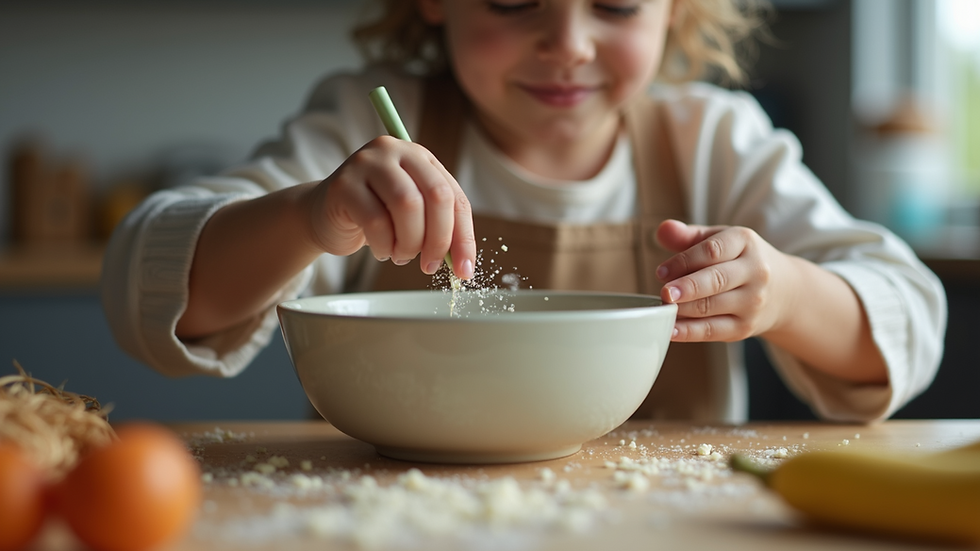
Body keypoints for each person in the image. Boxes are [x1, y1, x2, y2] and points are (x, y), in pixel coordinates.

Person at [101, 0, 946, 423]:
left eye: (613, 2)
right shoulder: (366, 125)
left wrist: (788, 294)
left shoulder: (713, 142)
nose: (568, 40)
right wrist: (311, 218)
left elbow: (907, 315)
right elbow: (149, 287)